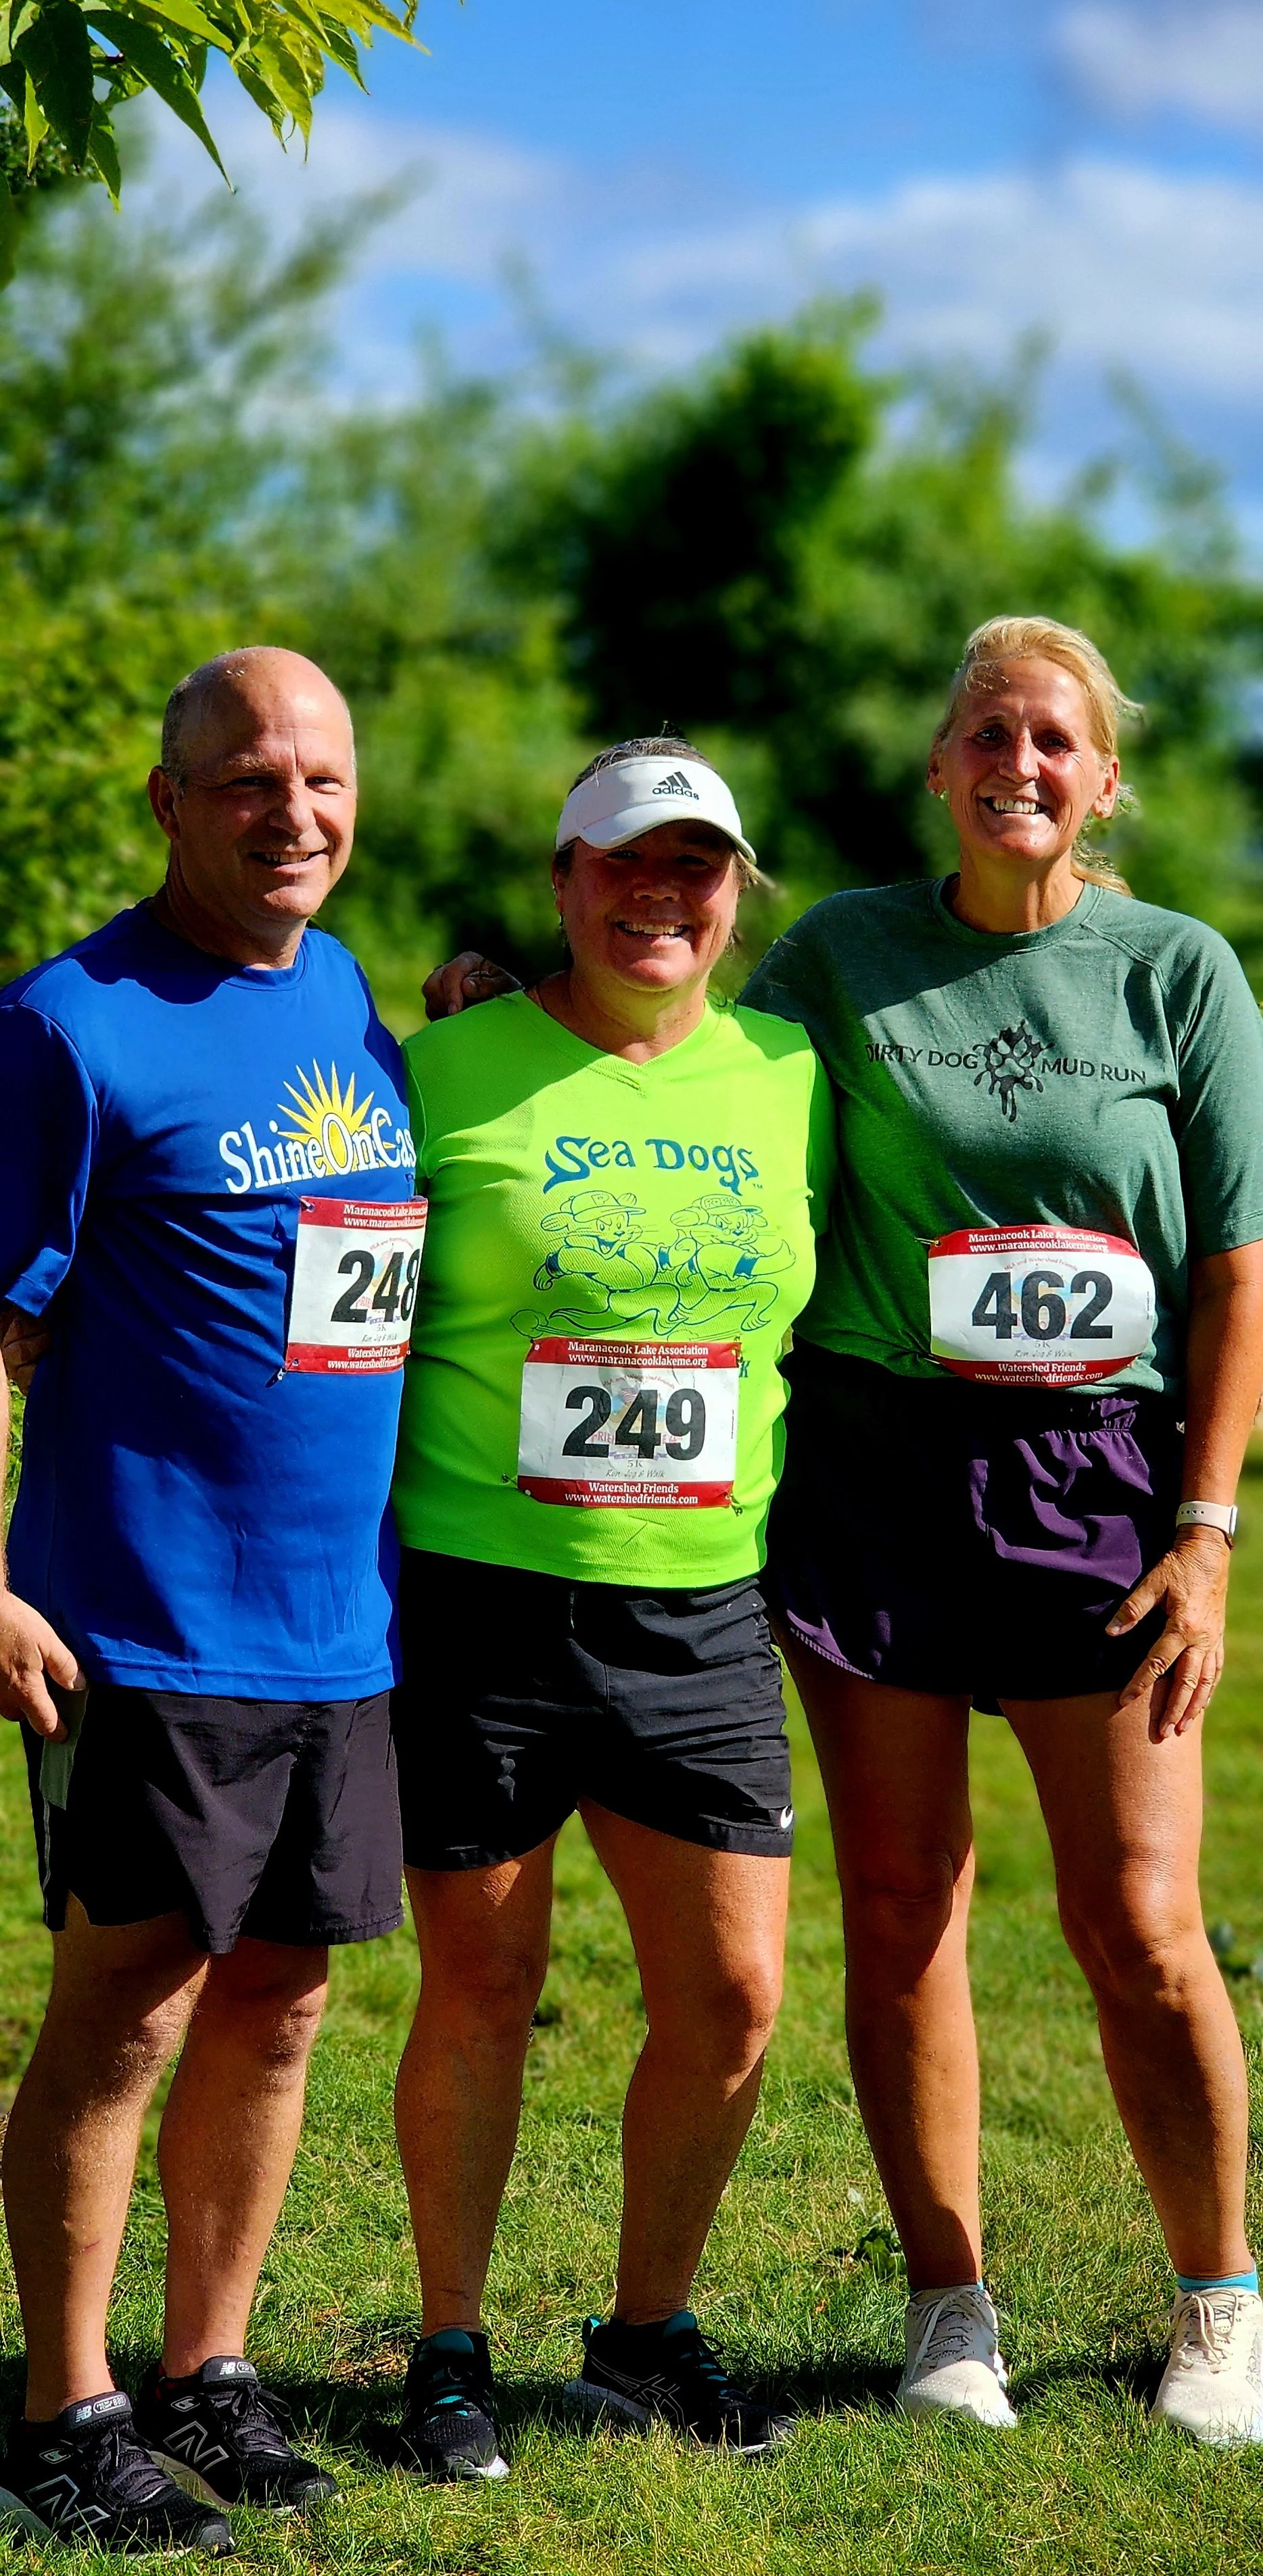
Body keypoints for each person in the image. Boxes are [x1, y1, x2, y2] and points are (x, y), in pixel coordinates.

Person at [741, 615, 1263, 2443]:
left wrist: (1204, 1525)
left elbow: (1232, 1272)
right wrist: (525, 1002)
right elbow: (699, 1089)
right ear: (938, 768)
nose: (1016, 767)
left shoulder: (1179, 975)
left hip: (1105, 1486)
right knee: (898, 1909)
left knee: (1139, 1920)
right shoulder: (839, 958)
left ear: (1099, 778)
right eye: (985, 735)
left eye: (1052, 741)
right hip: (878, 1471)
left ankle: (1219, 2305)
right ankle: (947, 2309)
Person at [0, 648, 421, 2551]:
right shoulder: (72, 1028)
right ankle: (65, 2405)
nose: (296, 813)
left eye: (324, 781)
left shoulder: (345, 997)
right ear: (170, 802)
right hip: (139, 1619)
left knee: (281, 2000)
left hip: (338, 1628)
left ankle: (211, 2369)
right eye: (251, 780)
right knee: (131, 2014)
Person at [389, 738, 836, 2479]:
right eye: (624, 862)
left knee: (730, 1995)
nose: (662, 892)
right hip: (486, 1592)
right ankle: (446, 2343)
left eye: (698, 864)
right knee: (480, 1983)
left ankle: (645, 2331)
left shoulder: (796, 1071)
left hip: (703, 1604)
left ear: (737, 891)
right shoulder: (445, 1067)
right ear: (564, 877)